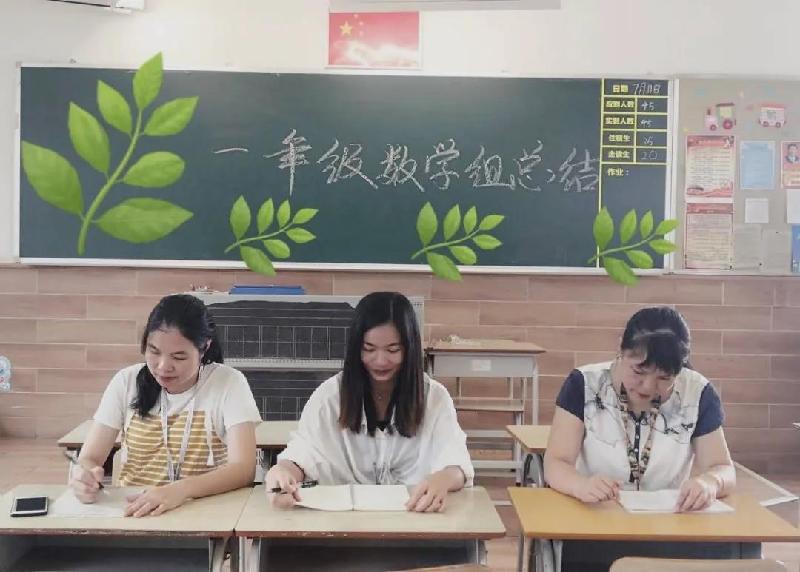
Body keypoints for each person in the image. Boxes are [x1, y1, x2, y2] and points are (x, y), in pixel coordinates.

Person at [544, 306, 736, 568]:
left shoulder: (698, 392)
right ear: (621, 351)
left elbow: (723, 467)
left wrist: (710, 483)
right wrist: (581, 485)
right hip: (595, 524)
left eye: (664, 378)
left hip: (669, 528)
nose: (648, 387)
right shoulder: (584, 384)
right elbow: (556, 462)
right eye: (638, 371)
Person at [265, 291, 473, 513]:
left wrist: (442, 479)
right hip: (342, 524)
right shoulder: (329, 397)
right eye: (369, 349)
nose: (380, 361)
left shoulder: (434, 398)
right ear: (356, 348)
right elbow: (302, 455)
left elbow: (457, 463)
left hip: (415, 519)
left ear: (409, 348)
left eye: (393, 350)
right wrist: (282, 472)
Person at [70, 294, 262, 517]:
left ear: (204, 348)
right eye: (154, 351)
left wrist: (179, 490)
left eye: (179, 357)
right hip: (135, 512)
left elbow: (243, 469)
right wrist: (84, 476)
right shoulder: (126, 381)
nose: (163, 367)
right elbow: (89, 458)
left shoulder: (228, 383)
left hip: (205, 513)